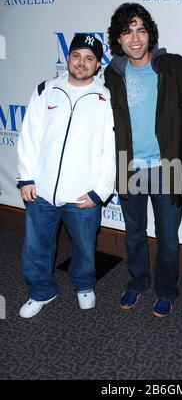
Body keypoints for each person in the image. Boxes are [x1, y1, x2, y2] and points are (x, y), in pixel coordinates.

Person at [17, 33, 116, 318]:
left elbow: (110, 149)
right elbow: (29, 135)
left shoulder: (106, 98)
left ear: (98, 65)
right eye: (77, 55)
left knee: (85, 247)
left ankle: (84, 285)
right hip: (42, 190)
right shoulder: (45, 90)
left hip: (82, 194)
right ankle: (40, 291)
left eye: (89, 58)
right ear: (68, 57)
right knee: (36, 247)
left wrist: (100, 191)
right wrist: (26, 177)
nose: (82, 63)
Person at [104, 3, 182, 317]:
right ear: (118, 38)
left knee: (169, 236)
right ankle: (138, 281)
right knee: (134, 233)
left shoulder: (177, 66)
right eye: (127, 31)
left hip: (173, 167)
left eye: (141, 29)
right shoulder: (111, 74)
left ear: (150, 34)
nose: (135, 38)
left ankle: (167, 290)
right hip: (130, 167)